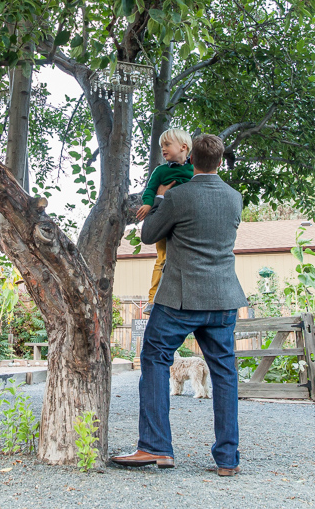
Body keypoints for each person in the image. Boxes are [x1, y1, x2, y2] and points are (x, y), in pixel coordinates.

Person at [111, 134, 248, 477]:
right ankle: (227, 459)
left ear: (192, 159)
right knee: (225, 372)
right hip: (223, 298)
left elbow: (148, 234)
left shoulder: (177, 195)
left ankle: (155, 447)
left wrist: (159, 198)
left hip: (180, 298)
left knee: (155, 357)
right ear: (217, 161)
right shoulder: (234, 198)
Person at [135, 128, 194, 315]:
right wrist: (147, 204)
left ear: (183, 147)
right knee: (162, 258)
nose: (163, 149)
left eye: (167, 145)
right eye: (161, 146)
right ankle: (153, 299)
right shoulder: (160, 171)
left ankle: (184, 298)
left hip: (184, 223)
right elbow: (150, 190)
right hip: (164, 221)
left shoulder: (193, 170)